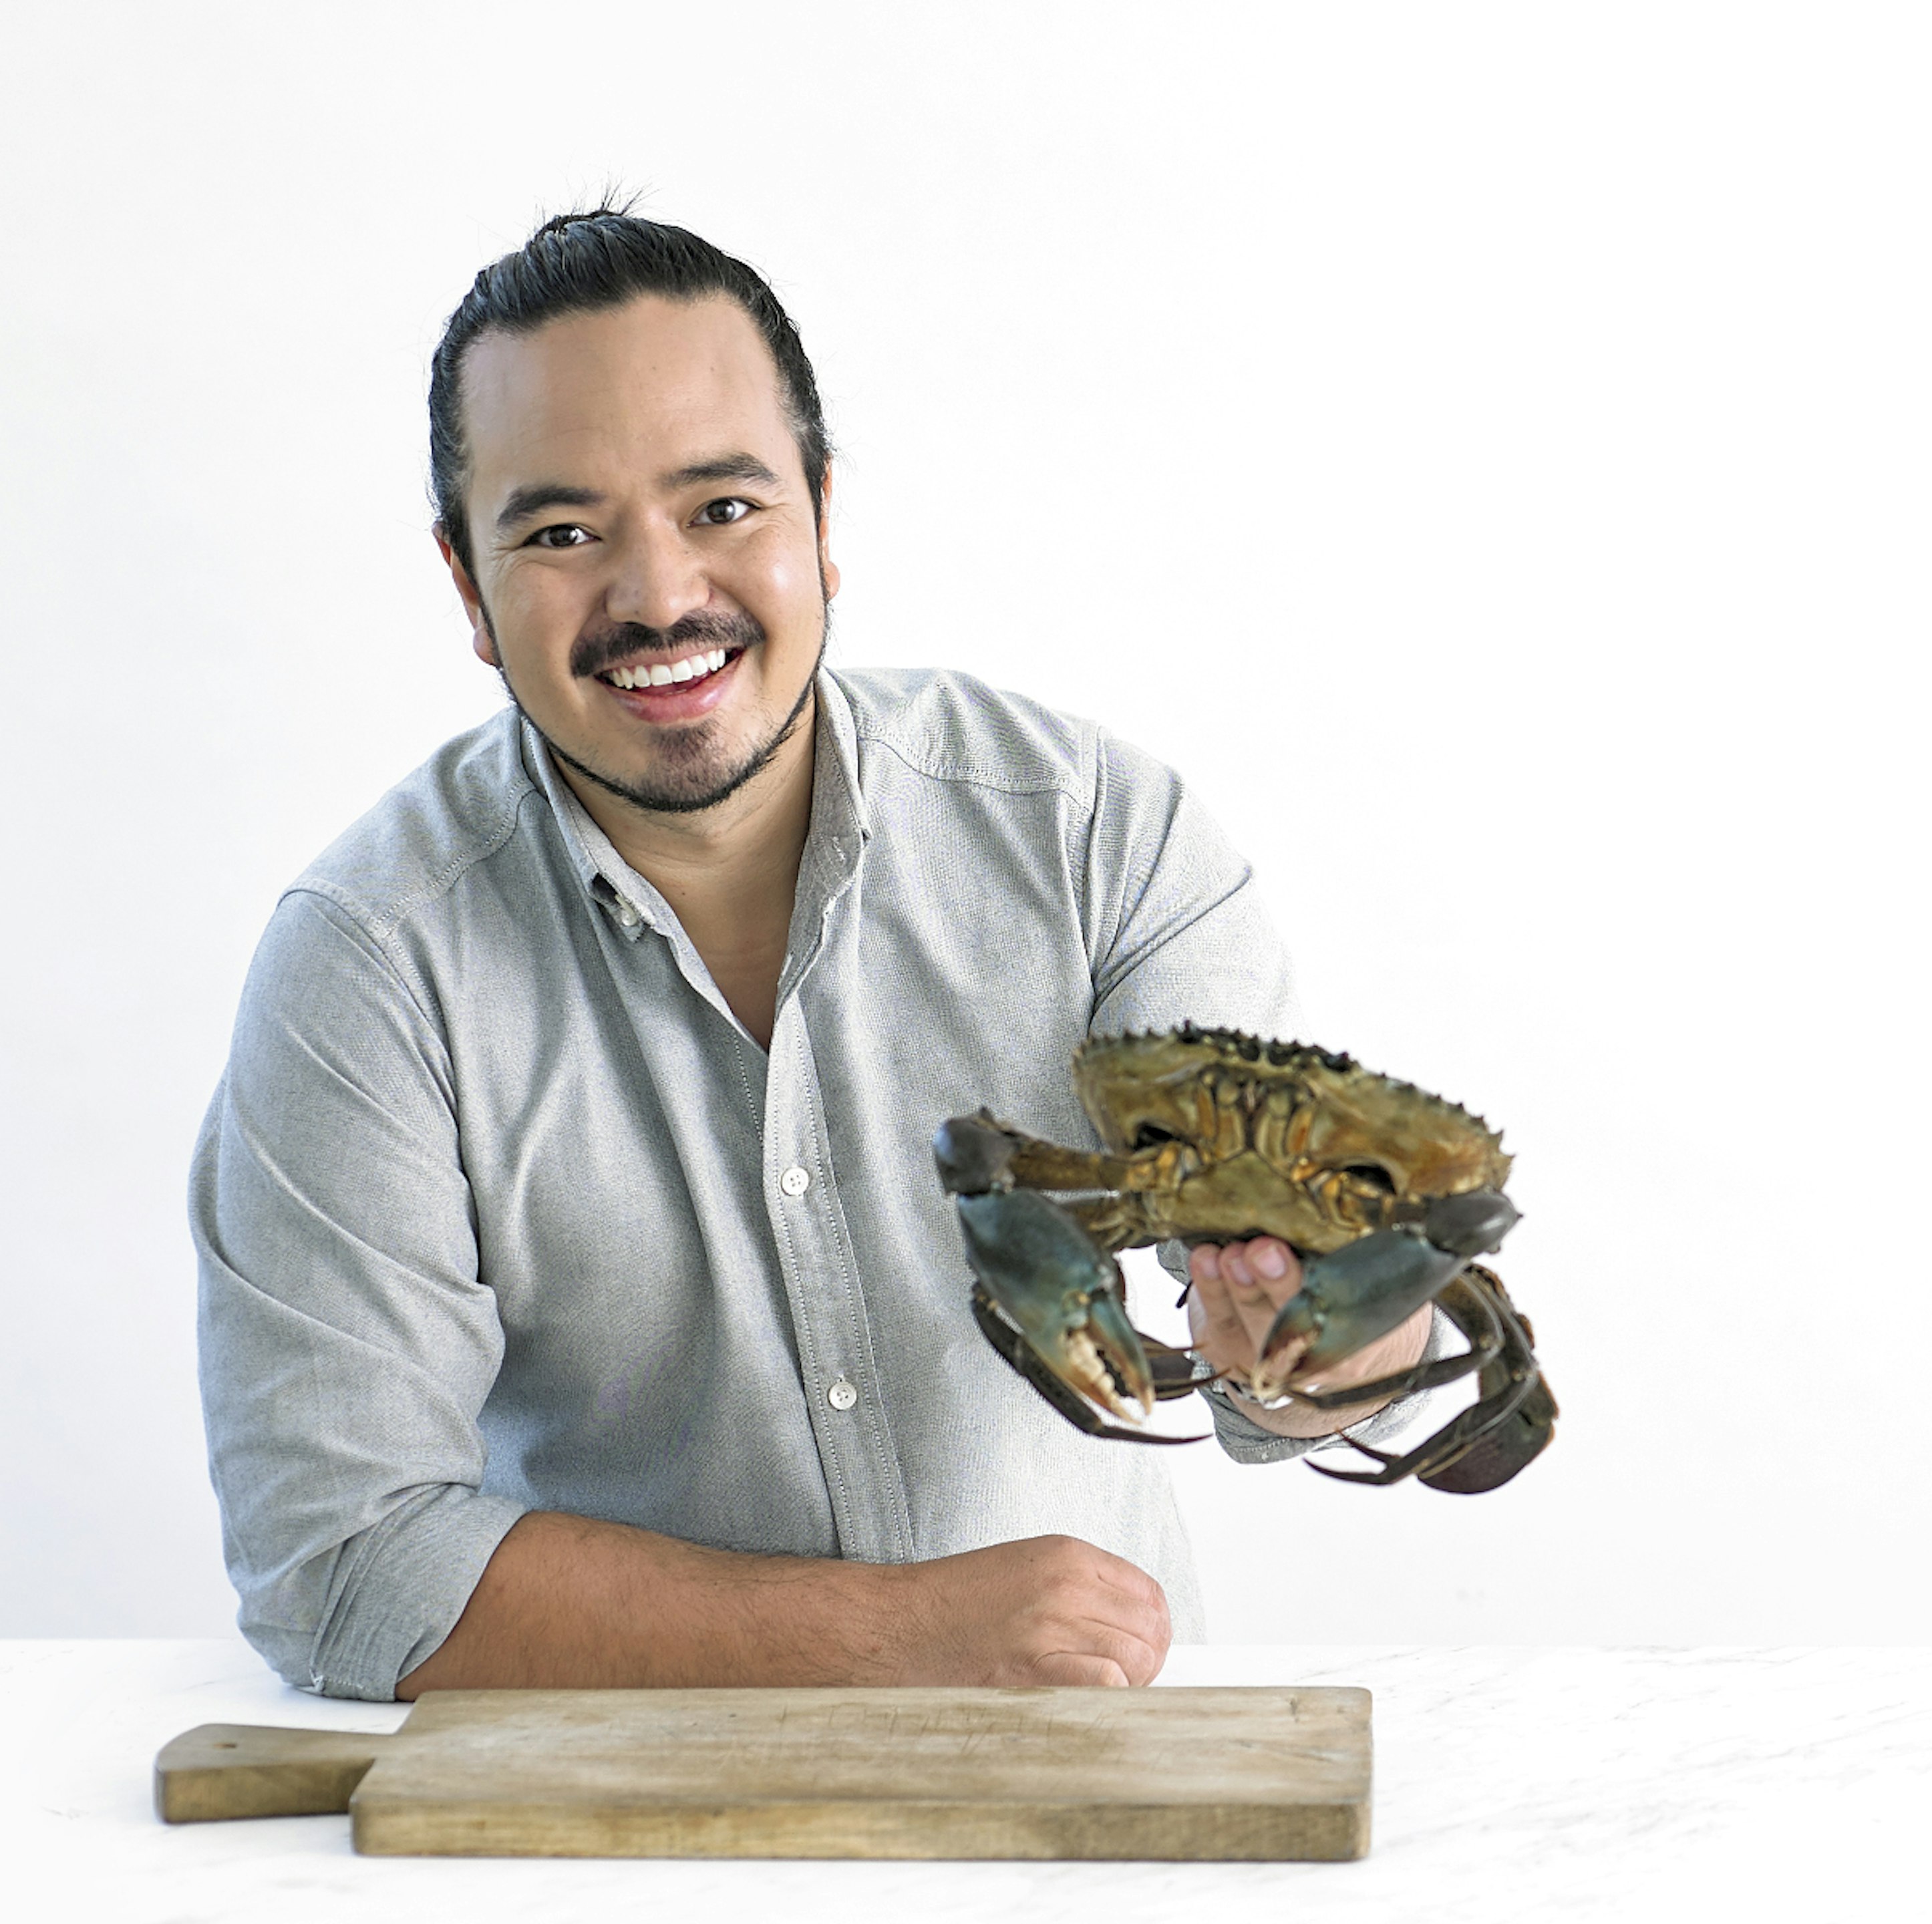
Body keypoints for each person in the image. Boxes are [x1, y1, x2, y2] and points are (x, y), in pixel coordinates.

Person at [189, 210, 1433, 1703]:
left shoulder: (1094, 836)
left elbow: (1325, 1359)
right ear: (468, 587)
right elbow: (339, 1564)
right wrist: (900, 1639)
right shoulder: (368, 969)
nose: (656, 596)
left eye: (722, 508)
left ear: (823, 521)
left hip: (1094, 1820)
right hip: (617, 1843)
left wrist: (1335, 1331)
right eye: (562, 532)